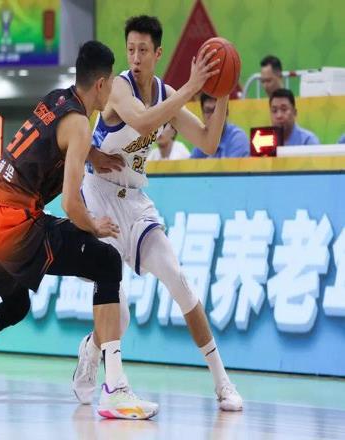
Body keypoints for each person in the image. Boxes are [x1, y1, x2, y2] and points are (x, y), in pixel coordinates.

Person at [0, 41, 158, 420]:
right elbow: (71, 204)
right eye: (111, 81)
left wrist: (93, 155)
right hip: (16, 223)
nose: (113, 87)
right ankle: (115, 389)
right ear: (101, 84)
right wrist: (95, 225)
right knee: (108, 262)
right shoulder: (81, 125)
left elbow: (54, 140)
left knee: (15, 306)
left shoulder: (55, 99)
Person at [73, 16, 243, 412]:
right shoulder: (119, 87)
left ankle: (222, 382)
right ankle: (92, 349)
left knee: (179, 280)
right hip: (98, 197)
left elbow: (208, 141)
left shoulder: (166, 93)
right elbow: (144, 120)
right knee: (121, 315)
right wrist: (192, 87)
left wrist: (221, 94)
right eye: (130, 49)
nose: (135, 58)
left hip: (135, 200)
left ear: (158, 53)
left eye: (143, 50)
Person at [191, 93, 249, 158]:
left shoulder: (238, 138)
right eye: (208, 111)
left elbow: (232, 165)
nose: (212, 116)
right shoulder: (203, 139)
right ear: (202, 114)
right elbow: (192, 163)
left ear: (226, 113)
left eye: (215, 111)